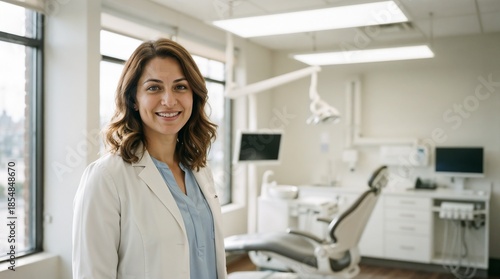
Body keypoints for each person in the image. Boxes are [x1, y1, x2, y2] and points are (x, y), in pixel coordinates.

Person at [72, 38, 227, 279]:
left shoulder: (199, 169)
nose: (169, 100)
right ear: (134, 98)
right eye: (154, 88)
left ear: (193, 95)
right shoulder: (106, 178)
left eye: (180, 87)